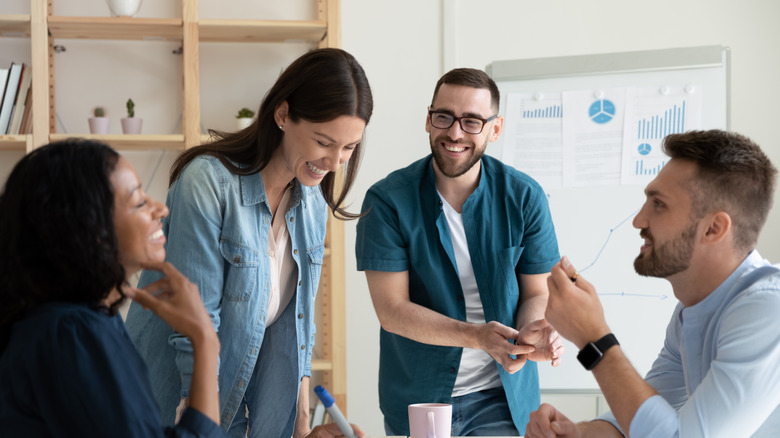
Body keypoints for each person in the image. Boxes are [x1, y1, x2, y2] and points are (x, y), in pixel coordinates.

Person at [125, 48, 371, 438]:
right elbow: (195, 326)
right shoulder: (207, 184)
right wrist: (200, 426)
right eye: (324, 141)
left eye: (349, 147)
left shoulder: (312, 202)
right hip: (174, 408)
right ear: (283, 115)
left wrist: (302, 427)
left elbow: (298, 328)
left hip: (238, 408)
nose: (334, 162)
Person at [526, 130, 780, 438]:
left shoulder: (769, 308)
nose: (639, 220)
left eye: (658, 204)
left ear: (713, 228)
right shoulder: (688, 314)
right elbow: (641, 423)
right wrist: (577, 433)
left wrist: (593, 337)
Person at [355, 68, 564, 437]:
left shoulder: (525, 197)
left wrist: (528, 335)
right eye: (444, 117)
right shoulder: (387, 201)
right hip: (418, 399)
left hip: (501, 396)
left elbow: (537, 292)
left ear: (494, 130)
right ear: (428, 119)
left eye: (471, 121)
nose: (454, 132)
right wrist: (478, 337)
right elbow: (392, 311)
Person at [0, 139, 224, 437]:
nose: (161, 210)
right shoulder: (72, 333)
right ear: (90, 230)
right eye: (140, 201)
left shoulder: (83, 321)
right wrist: (205, 340)